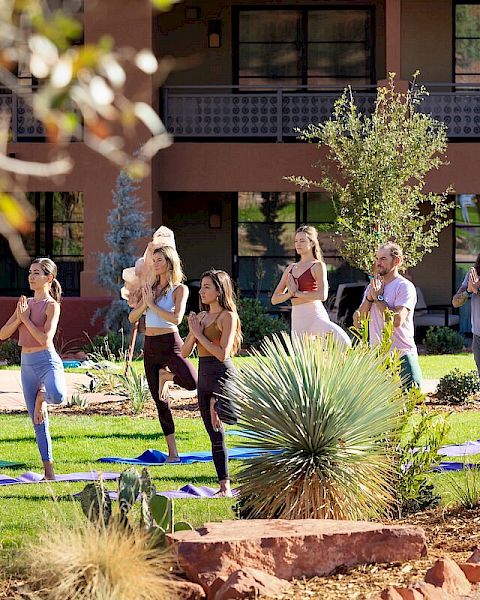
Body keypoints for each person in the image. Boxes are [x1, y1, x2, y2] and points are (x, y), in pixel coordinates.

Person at [128, 245, 197, 462]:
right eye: (154, 260)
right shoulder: (149, 288)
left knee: (192, 381)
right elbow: (132, 318)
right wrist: (145, 304)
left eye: (159, 260)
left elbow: (176, 318)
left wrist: (152, 306)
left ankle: (167, 376)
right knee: (161, 401)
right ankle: (173, 453)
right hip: (150, 346)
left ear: (170, 262)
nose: (156, 264)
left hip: (170, 343)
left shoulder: (180, 289)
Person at [0, 258, 66, 480]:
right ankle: (49, 473)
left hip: (47, 361)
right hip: (27, 365)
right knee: (38, 422)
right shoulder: (25, 304)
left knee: (57, 396)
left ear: (49, 278)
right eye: (30, 272)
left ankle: (42, 397)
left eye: (37, 273)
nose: (31, 276)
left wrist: (25, 320)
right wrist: (19, 318)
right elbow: (3, 334)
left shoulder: (52, 306)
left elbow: (45, 339)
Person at [181, 269, 242, 497]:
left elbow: (223, 353)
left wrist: (200, 334)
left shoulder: (227, 316)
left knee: (227, 420)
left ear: (219, 290)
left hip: (222, 377)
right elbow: (186, 352)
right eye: (202, 286)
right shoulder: (202, 317)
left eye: (207, 286)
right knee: (215, 434)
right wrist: (192, 332)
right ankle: (224, 486)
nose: (202, 291)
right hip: (204, 378)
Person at [354, 242, 422, 389]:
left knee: (411, 404)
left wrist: (379, 299)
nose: (378, 263)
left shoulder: (404, 287)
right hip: (377, 358)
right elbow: (357, 322)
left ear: (397, 261)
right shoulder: (371, 288)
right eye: (377, 259)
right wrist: (370, 298)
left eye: (383, 259)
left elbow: (397, 320)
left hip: (402, 356)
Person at [271, 224, 351, 347]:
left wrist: (297, 293)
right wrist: (289, 294)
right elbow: (275, 299)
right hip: (298, 318)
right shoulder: (291, 268)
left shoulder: (317, 266)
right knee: (303, 359)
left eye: (302, 241)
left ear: (312, 243)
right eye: (296, 241)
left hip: (315, 315)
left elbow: (322, 295)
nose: (298, 244)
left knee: (344, 343)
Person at [452, 253, 480, 377]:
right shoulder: (472, 276)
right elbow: (455, 302)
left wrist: (478, 290)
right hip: (478, 336)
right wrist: (469, 291)